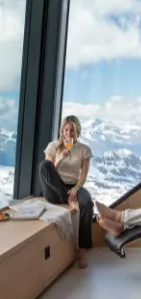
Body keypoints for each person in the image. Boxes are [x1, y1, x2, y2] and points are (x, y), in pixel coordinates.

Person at [40, 115, 94, 269]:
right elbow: (49, 172)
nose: (69, 133)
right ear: (62, 131)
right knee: (44, 165)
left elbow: (83, 177)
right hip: (54, 187)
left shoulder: (84, 150)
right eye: (66, 130)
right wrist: (61, 158)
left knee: (87, 203)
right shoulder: (53, 147)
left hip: (73, 186)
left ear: (78, 132)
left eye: (73, 130)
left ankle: (82, 251)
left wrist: (76, 189)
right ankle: (67, 198)